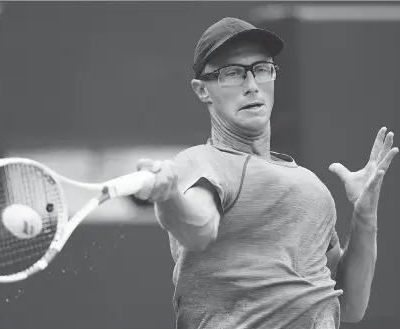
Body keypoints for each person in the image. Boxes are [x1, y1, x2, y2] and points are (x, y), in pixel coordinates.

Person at [134, 17, 398, 329]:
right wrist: (170, 199)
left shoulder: (311, 187)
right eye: (233, 73)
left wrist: (364, 217)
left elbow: (351, 305)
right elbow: (199, 229)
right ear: (203, 90)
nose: (251, 85)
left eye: (261, 69)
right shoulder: (201, 161)